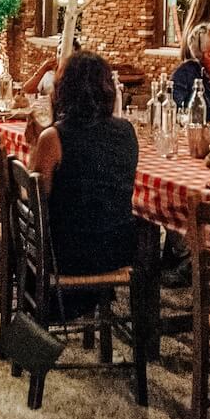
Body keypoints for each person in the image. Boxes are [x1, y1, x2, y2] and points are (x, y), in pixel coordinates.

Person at [31, 51, 137, 279]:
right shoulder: (127, 131)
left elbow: (38, 200)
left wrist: (33, 147)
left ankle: (30, 298)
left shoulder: (53, 137)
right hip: (117, 250)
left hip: (67, 254)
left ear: (64, 90)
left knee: (17, 217)